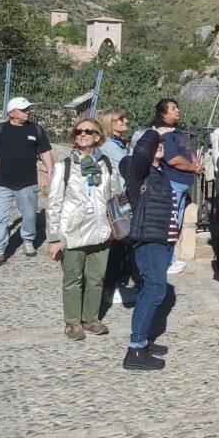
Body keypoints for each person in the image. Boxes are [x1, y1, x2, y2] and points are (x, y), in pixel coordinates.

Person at [46, 118, 114, 340]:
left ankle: (91, 319)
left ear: (97, 136)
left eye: (88, 131)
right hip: (72, 231)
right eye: (78, 131)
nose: (82, 134)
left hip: (101, 231)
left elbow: (114, 195)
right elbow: (54, 204)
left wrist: (115, 225)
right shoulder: (64, 165)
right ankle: (73, 322)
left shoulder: (107, 164)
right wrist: (54, 238)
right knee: (73, 279)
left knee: (96, 278)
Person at [0, 96, 54, 268]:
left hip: (27, 183)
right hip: (1, 183)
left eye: (28, 109)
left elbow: (46, 152)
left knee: (29, 216)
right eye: (23, 109)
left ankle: (28, 239)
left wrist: (50, 171)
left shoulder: (36, 129)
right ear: (11, 112)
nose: (28, 111)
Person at [122, 129, 174, 370]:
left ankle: (144, 342)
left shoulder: (157, 171)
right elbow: (142, 149)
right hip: (147, 238)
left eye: (162, 142)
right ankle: (135, 350)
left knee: (151, 289)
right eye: (156, 142)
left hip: (159, 238)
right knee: (154, 290)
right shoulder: (136, 168)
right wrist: (155, 131)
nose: (160, 144)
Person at [151, 99, 202, 274]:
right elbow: (172, 159)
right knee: (170, 222)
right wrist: (193, 167)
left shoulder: (178, 131)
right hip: (173, 182)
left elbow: (188, 151)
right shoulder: (163, 134)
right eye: (173, 109)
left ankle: (171, 258)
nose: (178, 111)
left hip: (183, 182)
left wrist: (196, 162)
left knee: (177, 221)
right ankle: (166, 260)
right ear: (164, 113)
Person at [97, 107, 136, 305]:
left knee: (122, 245)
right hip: (117, 201)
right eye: (119, 120)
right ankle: (109, 289)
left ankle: (114, 286)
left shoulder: (119, 145)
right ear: (109, 124)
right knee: (117, 245)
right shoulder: (109, 147)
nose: (125, 121)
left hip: (123, 198)